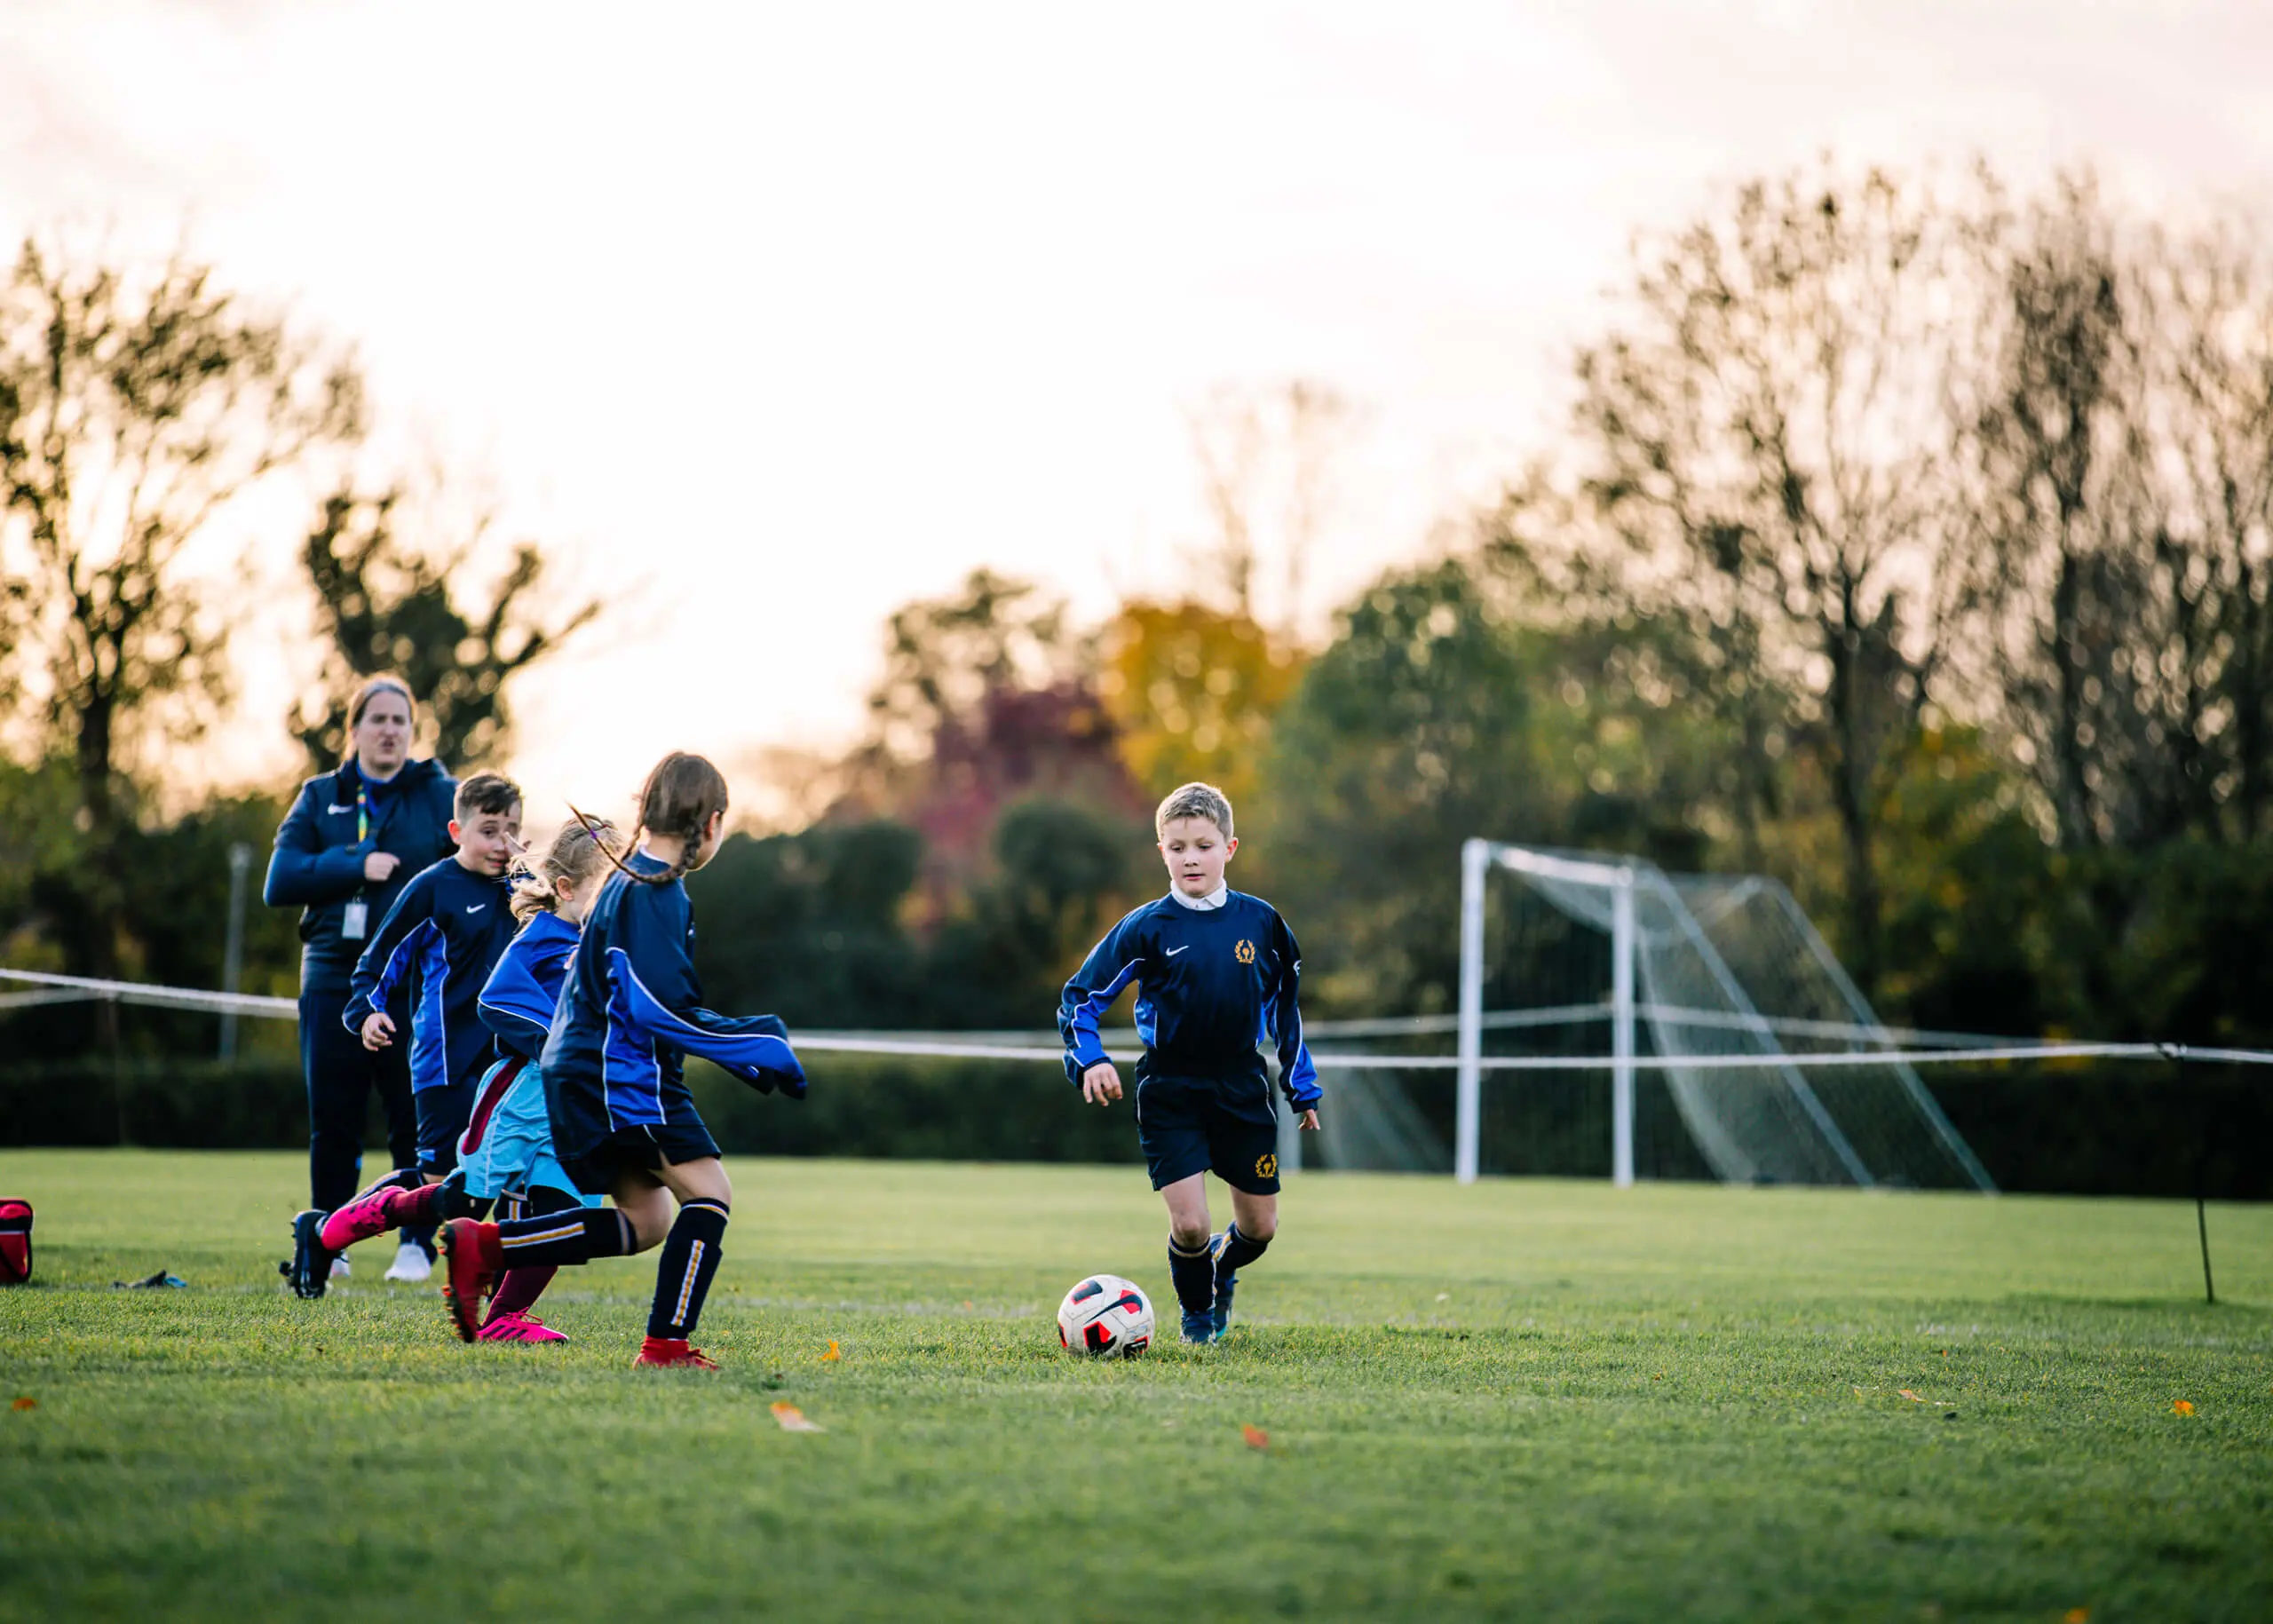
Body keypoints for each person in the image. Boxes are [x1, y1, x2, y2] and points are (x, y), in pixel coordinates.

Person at [436, 752, 806, 1369]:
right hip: (622, 1081)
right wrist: (753, 1045)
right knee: (710, 1194)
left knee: (647, 1217)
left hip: (585, 1077)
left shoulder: (624, 879)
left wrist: (740, 1047)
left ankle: (486, 1245)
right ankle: (665, 1347)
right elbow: (656, 1008)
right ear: (711, 824)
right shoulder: (657, 892)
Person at [1057, 781, 1322, 1345]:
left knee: (1259, 1228)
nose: (1190, 858)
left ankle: (1222, 1272)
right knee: (1192, 1224)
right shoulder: (1146, 927)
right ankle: (1198, 1318)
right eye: (1177, 847)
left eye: (1203, 845)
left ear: (1229, 848)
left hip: (1241, 1084)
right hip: (1170, 1086)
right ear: (1162, 851)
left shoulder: (1263, 924)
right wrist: (1089, 1059)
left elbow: (1285, 1012)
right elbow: (1081, 996)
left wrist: (1303, 1089)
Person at [265, 675, 457, 1294]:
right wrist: (354, 863)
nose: (390, 729)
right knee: (335, 1119)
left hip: (416, 983)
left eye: (401, 719)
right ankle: (330, 1240)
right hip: (333, 978)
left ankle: (416, 1243)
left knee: (416, 1119)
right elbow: (280, 879)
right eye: (377, 718)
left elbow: (476, 856)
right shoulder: (321, 796)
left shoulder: (438, 793)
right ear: (354, 730)